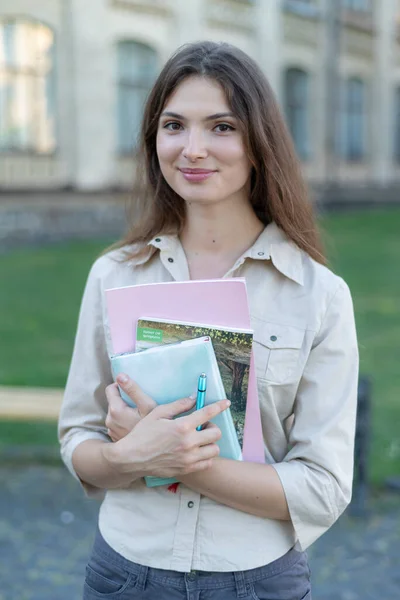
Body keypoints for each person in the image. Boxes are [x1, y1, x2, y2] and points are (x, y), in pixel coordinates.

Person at [58, 41, 359, 600]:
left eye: (221, 127)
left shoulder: (319, 295)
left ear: (258, 143)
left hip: (256, 581)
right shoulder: (113, 276)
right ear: (154, 139)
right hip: (125, 575)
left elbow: (322, 487)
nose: (192, 149)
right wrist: (124, 457)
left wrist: (176, 460)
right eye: (174, 125)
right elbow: (78, 437)